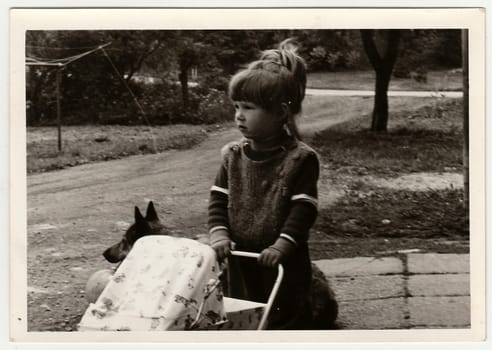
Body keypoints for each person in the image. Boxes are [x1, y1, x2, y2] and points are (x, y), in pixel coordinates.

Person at [207, 39, 320, 330]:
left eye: (249, 107)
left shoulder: (300, 159)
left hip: (282, 258)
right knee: (243, 315)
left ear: (281, 112)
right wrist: (220, 235)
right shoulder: (232, 156)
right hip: (241, 256)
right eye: (236, 106)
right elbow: (219, 199)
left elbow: (303, 208)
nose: (239, 115)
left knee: (287, 318)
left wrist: (283, 245)